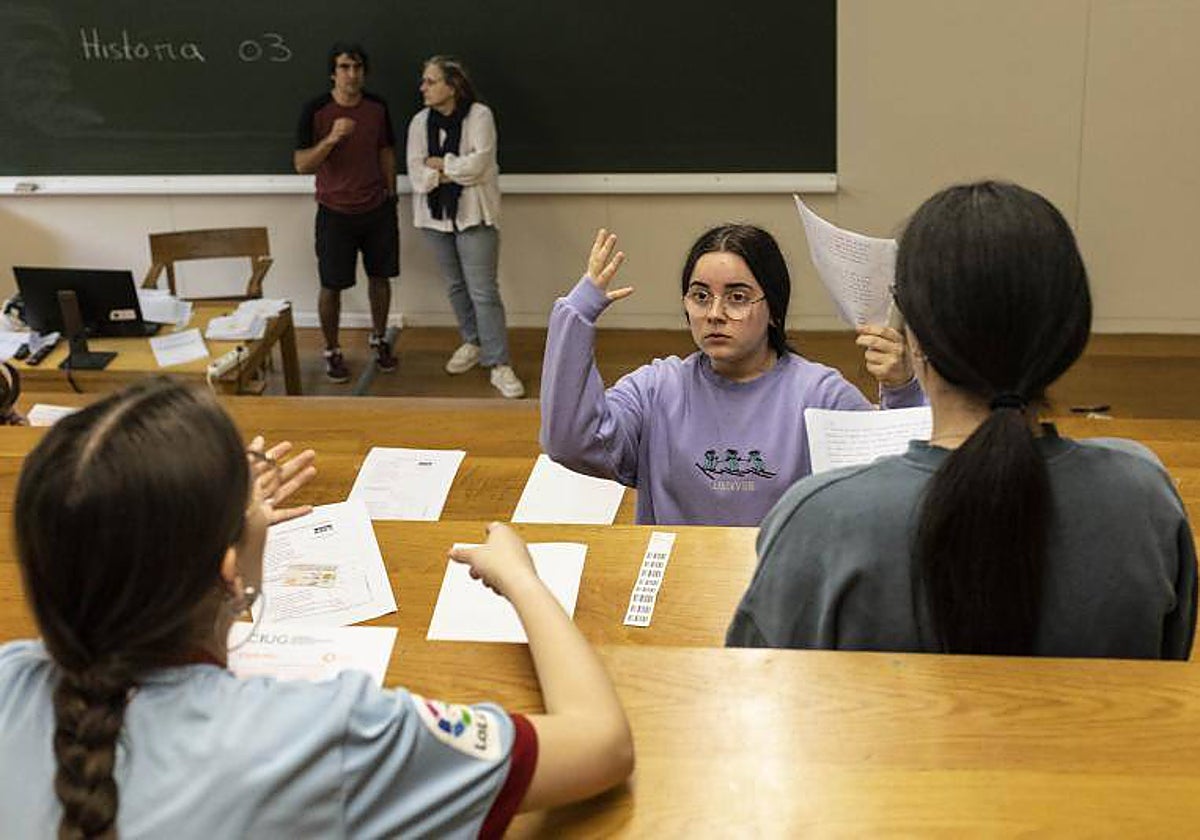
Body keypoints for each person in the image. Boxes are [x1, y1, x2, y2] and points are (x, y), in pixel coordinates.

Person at [0, 379, 633, 837]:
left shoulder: (12, 681)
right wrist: (523, 580)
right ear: (227, 573)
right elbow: (600, 744)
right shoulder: (327, 731)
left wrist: (220, 519)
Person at [727, 181, 1197, 658]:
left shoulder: (818, 519)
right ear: (1069, 333)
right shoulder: (1144, 497)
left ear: (914, 335)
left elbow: (757, 690)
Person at [539, 225, 924, 526]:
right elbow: (571, 443)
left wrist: (902, 389)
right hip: (679, 584)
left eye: (737, 297)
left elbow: (896, 490)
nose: (715, 313)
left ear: (773, 309)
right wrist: (578, 313)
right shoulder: (657, 388)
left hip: (780, 590)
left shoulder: (819, 395)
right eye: (700, 296)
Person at [406, 56, 525, 398]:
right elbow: (417, 175)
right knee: (456, 286)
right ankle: (472, 342)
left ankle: (499, 362)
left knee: (483, 290)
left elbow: (480, 166)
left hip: (475, 215)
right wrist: (451, 169)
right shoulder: (419, 123)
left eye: (430, 81)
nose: (423, 88)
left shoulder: (479, 116)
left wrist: (441, 164)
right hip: (435, 219)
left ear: (452, 85)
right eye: (424, 81)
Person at [295, 42, 399, 383]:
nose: (351, 75)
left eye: (357, 68)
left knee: (380, 277)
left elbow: (385, 150)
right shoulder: (316, 110)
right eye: (344, 67)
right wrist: (330, 139)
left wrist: (391, 194)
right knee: (331, 285)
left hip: (376, 208)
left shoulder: (377, 107)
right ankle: (331, 349)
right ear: (333, 72)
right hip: (334, 212)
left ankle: (380, 338)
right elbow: (301, 165)